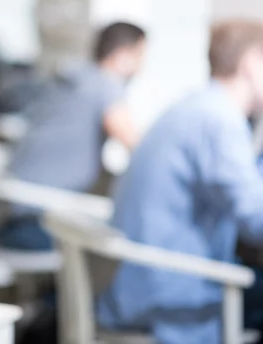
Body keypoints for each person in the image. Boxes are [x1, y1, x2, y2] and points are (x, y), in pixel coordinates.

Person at [97, 20, 263, 344]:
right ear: (251, 62)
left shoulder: (193, 106)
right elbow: (257, 220)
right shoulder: (220, 121)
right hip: (168, 298)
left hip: (134, 282)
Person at [0, 22, 145, 251]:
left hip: (11, 210)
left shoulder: (72, 76)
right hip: (41, 220)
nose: (142, 66)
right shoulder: (105, 85)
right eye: (141, 56)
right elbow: (136, 146)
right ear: (123, 55)